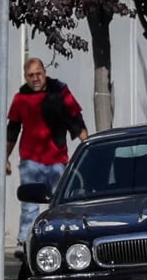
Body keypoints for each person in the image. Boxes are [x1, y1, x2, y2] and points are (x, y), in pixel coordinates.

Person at [6, 58, 88, 256]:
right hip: (30, 160)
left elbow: (76, 120)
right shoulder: (20, 99)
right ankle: (23, 241)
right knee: (29, 205)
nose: (35, 78)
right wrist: (5, 157)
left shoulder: (60, 91)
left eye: (38, 73)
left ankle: (64, 240)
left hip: (57, 160)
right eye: (30, 75)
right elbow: (13, 130)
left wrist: (87, 148)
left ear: (45, 72)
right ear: (25, 77)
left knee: (61, 204)